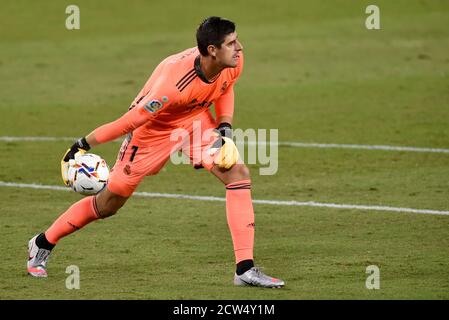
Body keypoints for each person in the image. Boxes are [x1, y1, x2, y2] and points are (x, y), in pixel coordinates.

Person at [27, 16, 284, 288]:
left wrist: (225, 131)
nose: (240, 47)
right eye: (231, 43)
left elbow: (225, 87)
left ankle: (244, 269)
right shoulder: (171, 87)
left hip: (194, 120)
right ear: (212, 50)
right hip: (151, 132)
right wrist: (82, 144)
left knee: (237, 173)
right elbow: (129, 122)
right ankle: (42, 243)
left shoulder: (233, 61)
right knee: (109, 203)